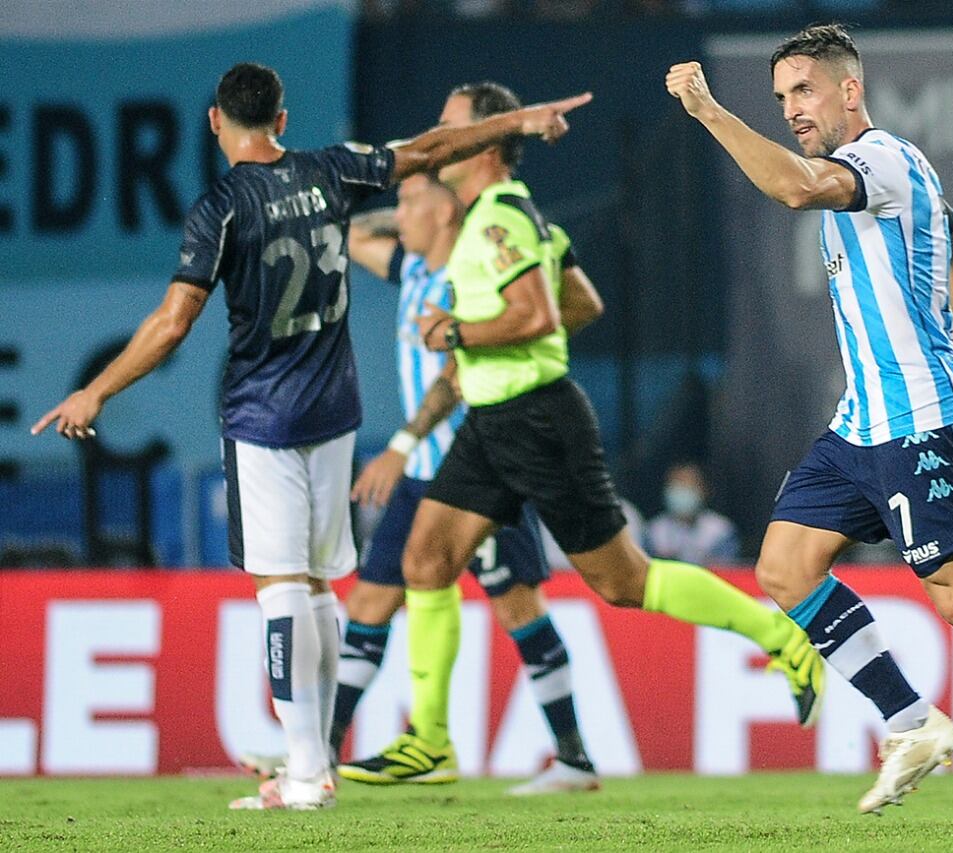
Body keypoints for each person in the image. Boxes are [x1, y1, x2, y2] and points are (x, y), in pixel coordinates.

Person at [31, 62, 590, 811]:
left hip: (264, 417)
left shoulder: (221, 205)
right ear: (284, 121)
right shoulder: (332, 171)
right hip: (336, 415)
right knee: (324, 588)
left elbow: (172, 324)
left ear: (216, 123)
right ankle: (316, 755)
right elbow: (429, 149)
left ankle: (303, 770)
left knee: (281, 587)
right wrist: (517, 122)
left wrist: (97, 389)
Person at [665, 25, 953, 825]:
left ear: (850, 89)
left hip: (919, 421)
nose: (791, 109)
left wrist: (712, 111)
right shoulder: (884, 173)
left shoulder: (882, 159)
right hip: (861, 425)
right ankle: (914, 724)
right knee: (785, 566)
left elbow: (795, 189)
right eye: (780, 97)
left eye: (803, 90)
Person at [357, 80, 826, 784]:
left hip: (538, 421)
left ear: (485, 142)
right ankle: (428, 738)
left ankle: (780, 634)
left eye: (452, 125)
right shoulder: (511, 216)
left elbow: (541, 312)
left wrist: (461, 329)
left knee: (624, 581)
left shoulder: (499, 222)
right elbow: (583, 300)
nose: (439, 136)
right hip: (492, 419)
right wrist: (499, 340)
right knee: (426, 559)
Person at [333, 174, 605, 793]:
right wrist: (401, 214)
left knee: (518, 609)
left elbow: (567, 311)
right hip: (420, 473)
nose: (398, 211)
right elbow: (349, 234)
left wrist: (401, 444)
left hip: (476, 464)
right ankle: (317, 755)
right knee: (370, 604)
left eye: (411, 199)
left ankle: (573, 757)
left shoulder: (475, 265)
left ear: (447, 208)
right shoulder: (411, 269)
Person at [645, 462, 740, 564]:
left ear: (704, 490)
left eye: (687, 485)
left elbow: (727, 569)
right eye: (677, 485)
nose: (681, 491)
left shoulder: (721, 531)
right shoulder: (654, 531)